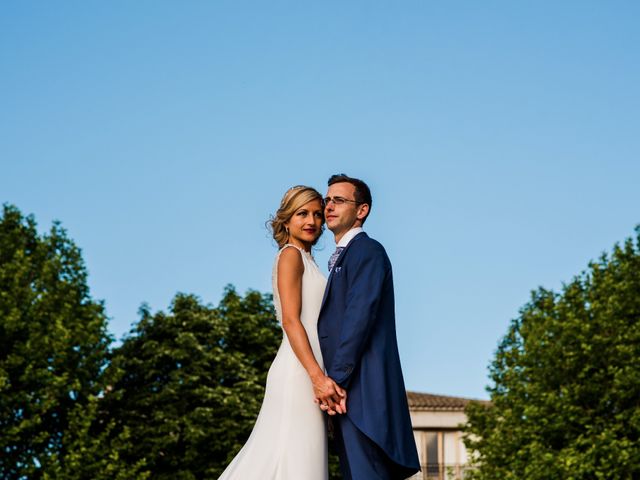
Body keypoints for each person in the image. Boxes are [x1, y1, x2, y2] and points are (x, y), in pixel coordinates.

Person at [218, 185, 345, 480]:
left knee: (295, 462)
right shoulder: (291, 255)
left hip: (310, 372)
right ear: (286, 220)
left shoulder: (309, 260)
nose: (312, 221)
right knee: (292, 463)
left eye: (317, 214)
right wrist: (317, 378)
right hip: (299, 373)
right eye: (302, 214)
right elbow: (291, 321)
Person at [318, 174, 421, 480]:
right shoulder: (343, 258)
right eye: (327, 200)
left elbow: (358, 319)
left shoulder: (368, 251)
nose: (329, 206)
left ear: (361, 210)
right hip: (350, 395)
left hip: (360, 394)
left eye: (339, 200)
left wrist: (335, 385)